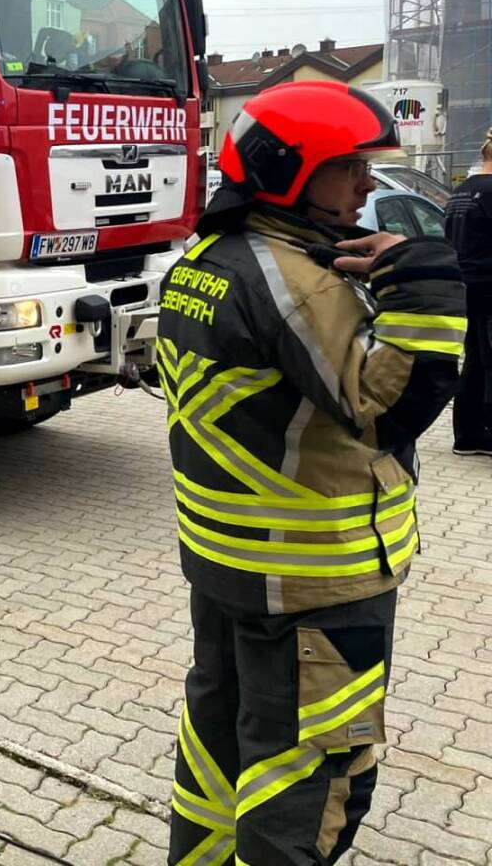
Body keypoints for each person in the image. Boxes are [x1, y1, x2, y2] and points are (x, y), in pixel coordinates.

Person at [158, 81, 465, 864]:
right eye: (348, 166)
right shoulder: (302, 281)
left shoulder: (204, 260)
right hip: (316, 584)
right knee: (310, 782)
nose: (367, 183)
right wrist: (428, 287)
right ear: (286, 171)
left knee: (219, 752)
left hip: (227, 568)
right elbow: (389, 408)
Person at [445, 127, 492, 456]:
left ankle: (466, 435)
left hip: (463, 286)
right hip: (489, 286)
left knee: (473, 359)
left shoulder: (459, 192)